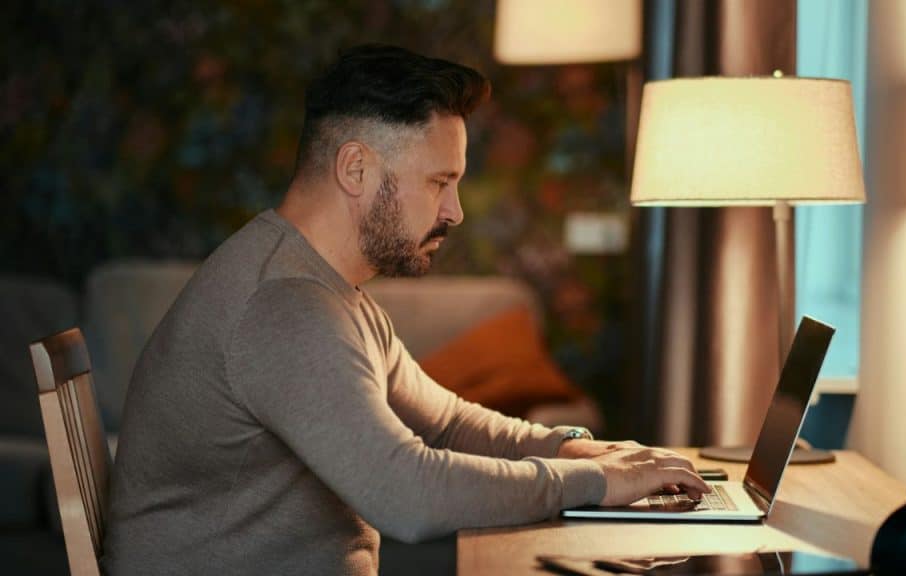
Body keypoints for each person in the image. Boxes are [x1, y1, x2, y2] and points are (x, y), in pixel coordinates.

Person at [103, 44, 709, 575]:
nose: (455, 211)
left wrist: (571, 447)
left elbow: (445, 423)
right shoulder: (284, 305)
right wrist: (598, 484)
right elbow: (408, 495)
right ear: (356, 168)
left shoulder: (331, 290)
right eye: (438, 181)